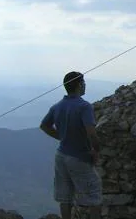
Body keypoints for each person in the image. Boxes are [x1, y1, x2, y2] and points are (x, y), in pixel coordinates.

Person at [40, 71, 102, 219]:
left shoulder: (57, 106)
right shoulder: (84, 107)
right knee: (94, 194)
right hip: (79, 157)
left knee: (65, 196)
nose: (85, 85)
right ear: (79, 85)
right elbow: (91, 133)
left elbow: (44, 126)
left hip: (61, 155)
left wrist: (62, 137)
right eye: (84, 83)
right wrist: (95, 151)